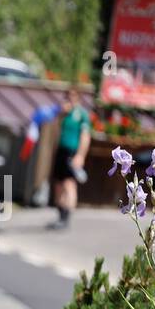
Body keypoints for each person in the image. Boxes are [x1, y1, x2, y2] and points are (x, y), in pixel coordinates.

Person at [50, 88, 91, 229]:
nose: (69, 99)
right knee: (58, 184)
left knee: (69, 184)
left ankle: (66, 216)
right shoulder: (63, 114)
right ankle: (60, 214)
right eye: (67, 96)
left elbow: (85, 137)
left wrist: (80, 155)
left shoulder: (81, 115)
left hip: (72, 152)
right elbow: (55, 131)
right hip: (61, 151)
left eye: (72, 96)